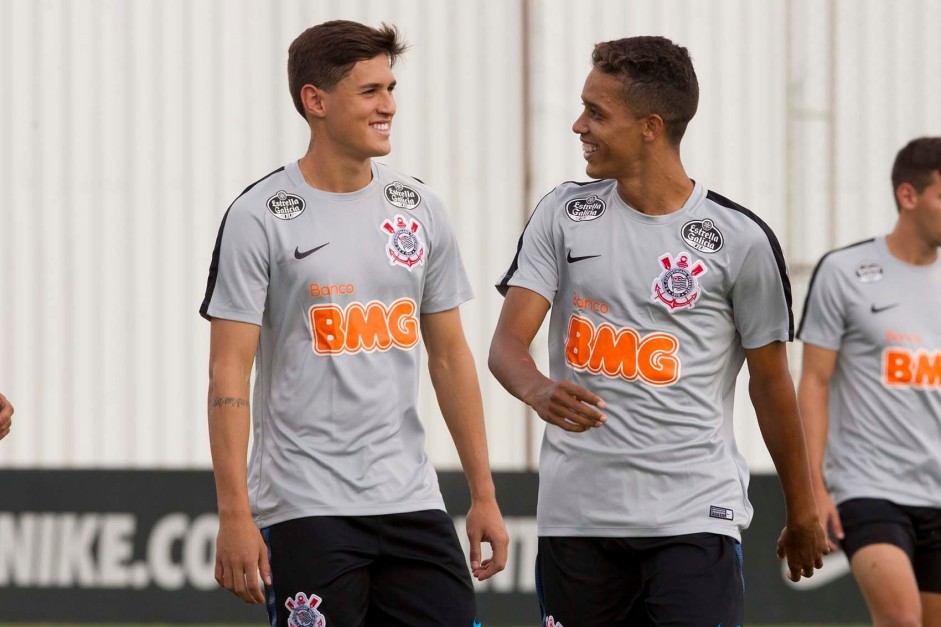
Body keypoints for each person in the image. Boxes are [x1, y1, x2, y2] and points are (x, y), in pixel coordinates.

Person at [489, 35, 828, 625]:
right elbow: (505, 346)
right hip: (578, 519)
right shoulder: (564, 214)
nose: (578, 125)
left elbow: (772, 384)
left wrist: (802, 511)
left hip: (693, 518)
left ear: (650, 126)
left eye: (596, 113)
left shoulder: (740, 240)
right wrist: (537, 389)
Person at [200, 20, 507, 626]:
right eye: (370, 91)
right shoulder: (259, 215)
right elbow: (228, 371)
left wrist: (484, 494)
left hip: (412, 501)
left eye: (390, 88)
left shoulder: (419, 209)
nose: (388, 105)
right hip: (304, 506)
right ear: (315, 101)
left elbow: (449, 356)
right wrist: (235, 512)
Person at [797, 136, 941, 627]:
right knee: (901, 619)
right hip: (868, 485)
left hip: (936, 490)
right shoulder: (845, 272)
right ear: (908, 196)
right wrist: (814, 487)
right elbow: (813, 382)